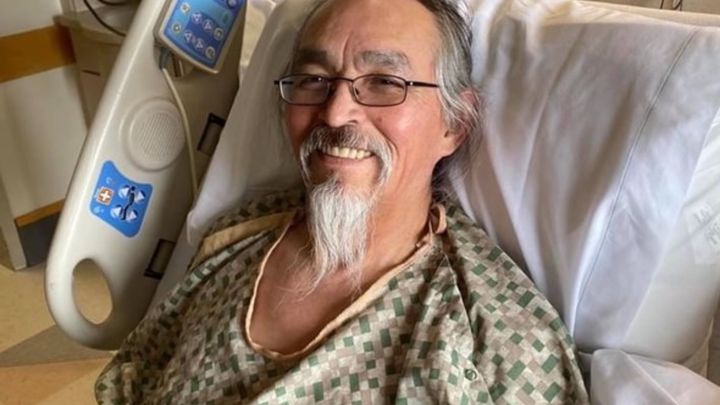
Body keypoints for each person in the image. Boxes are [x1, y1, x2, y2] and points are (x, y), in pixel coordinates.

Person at [95, 0, 589, 403]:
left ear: (454, 124)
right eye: (314, 79)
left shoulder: (500, 340)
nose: (335, 113)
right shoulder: (231, 242)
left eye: (385, 82)